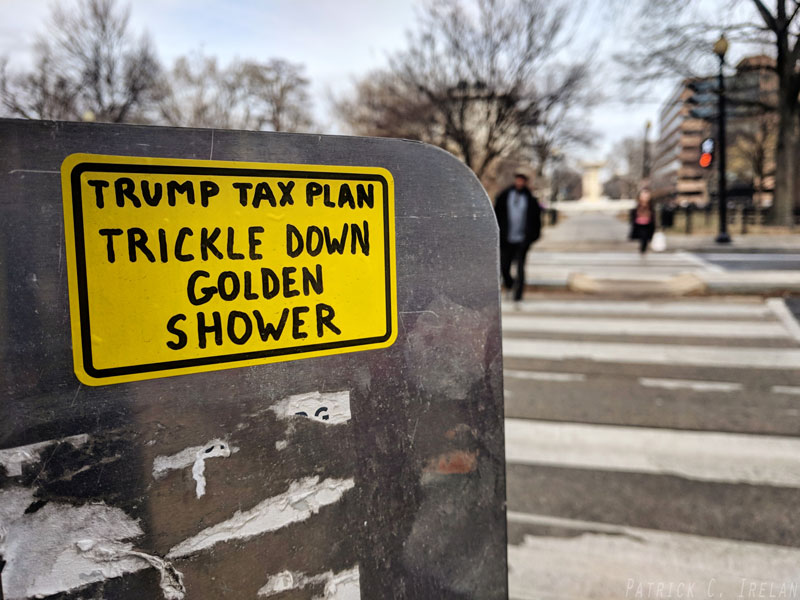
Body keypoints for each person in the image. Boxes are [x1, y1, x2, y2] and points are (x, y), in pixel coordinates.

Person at [494, 171, 542, 301]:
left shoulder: (531, 199)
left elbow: (536, 220)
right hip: (506, 239)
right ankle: (510, 284)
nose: (519, 182)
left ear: (525, 182)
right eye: (518, 179)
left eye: (522, 180)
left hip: (522, 240)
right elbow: (496, 215)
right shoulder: (504, 196)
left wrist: (532, 237)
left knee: (520, 268)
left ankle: (518, 295)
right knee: (504, 266)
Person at [629, 188, 656, 254]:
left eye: (646, 196)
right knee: (642, 237)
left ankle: (643, 248)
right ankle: (642, 248)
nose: (645, 198)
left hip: (648, 224)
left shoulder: (650, 206)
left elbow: (653, 216)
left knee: (645, 237)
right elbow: (634, 214)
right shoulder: (638, 205)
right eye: (643, 196)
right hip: (639, 224)